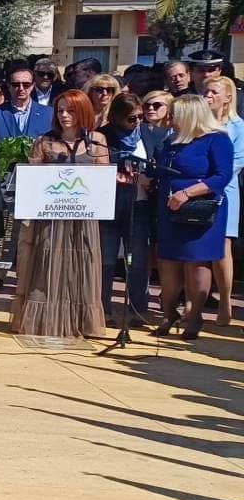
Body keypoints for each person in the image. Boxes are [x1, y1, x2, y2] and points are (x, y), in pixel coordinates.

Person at [10, 91, 108, 340]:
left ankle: (81, 322)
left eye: (70, 110)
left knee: (82, 266)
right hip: (50, 218)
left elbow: (103, 180)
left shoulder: (97, 141)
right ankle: (44, 320)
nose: (64, 115)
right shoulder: (45, 141)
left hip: (83, 218)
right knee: (47, 266)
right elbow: (32, 180)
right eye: (60, 110)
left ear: (83, 111)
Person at [152, 94, 232, 340]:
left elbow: (222, 176)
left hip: (200, 209)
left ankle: (195, 315)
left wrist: (187, 193)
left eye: (175, 113)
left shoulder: (216, 139)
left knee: (196, 262)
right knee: (167, 260)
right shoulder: (172, 141)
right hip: (169, 208)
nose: (170, 117)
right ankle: (169, 312)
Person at [99, 92, 150, 326]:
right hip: (110, 205)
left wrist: (150, 179)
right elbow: (95, 167)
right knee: (106, 261)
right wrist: (114, 175)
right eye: (131, 118)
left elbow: (157, 165)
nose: (137, 122)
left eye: (140, 117)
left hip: (139, 205)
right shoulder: (102, 136)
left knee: (137, 261)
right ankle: (103, 310)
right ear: (117, 117)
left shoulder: (148, 134)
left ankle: (138, 309)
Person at [202, 75, 243, 325]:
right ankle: (193, 301)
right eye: (206, 92)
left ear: (227, 97)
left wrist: (209, 180)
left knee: (222, 246)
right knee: (196, 246)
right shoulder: (199, 122)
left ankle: (225, 301)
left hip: (225, 190)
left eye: (214, 92)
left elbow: (237, 162)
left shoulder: (238, 126)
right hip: (195, 187)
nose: (208, 96)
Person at [0, 64, 53, 142]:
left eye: (26, 85)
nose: (21, 88)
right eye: (16, 85)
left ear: (33, 86)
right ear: (8, 86)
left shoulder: (49, 113)